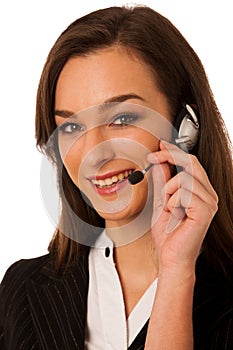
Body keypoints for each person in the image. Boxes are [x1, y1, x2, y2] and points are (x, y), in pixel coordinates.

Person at [1, 5, 233, 350]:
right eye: (72, 126)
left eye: (122, 118)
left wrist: (176, 274)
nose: (94, 152)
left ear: (186, 125)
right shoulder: (22, 289)